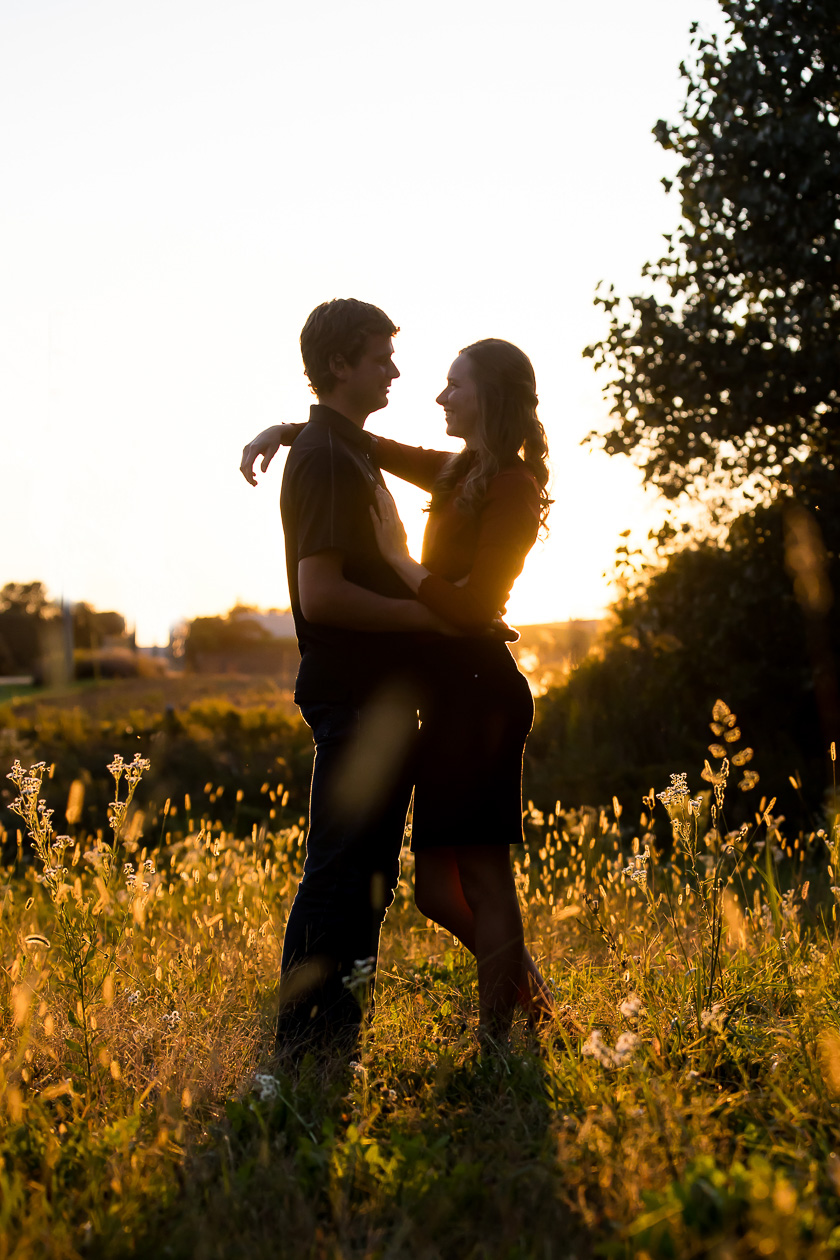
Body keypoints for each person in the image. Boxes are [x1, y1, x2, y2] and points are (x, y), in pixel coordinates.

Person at [242, 337, 553, 1043]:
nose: (439, 396)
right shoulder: (458, 471)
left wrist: (396, 560)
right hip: (443, 700)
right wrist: (286, 430)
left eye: (455, 385)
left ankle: (500, 1038)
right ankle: (532, 995)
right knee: (437, 891)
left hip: (481, 697)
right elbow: (364, 444)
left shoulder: (511, 484)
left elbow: (476, 608)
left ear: (491, 398)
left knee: (482, 877)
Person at [260, 298, 457, 1057]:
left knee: (365, 872)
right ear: (339, 363)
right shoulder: (331, 459)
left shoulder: (342, 448)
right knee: (341, 869)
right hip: (352, 692)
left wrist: (285, 427)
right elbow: (323, 594)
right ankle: (305, 1041)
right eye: (379, 357)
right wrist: (434, 623)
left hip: (374, 695)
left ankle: (337, 1034)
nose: (395, 370)